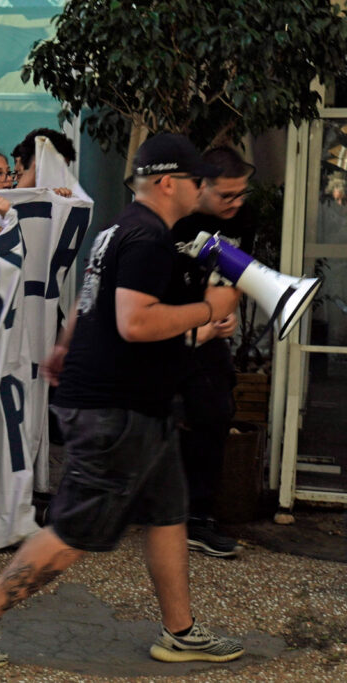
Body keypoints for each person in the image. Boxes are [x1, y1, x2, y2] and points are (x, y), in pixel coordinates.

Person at [0, 133, 245, 669]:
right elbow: (134, 322)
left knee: (168, 513)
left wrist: (64, 347)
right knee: (75, 528)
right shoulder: (150, 238)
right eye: (197, 181)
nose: (202, 189)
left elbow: (88, 297)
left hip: (137, 404)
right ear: (169, 182)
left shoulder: (117, 230)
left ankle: (180, 630)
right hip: (118, 406)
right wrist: (207, 308)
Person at [171, 146, 256, 559]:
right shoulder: (172, 216)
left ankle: (198, 517)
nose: (236, 204)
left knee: (215, 410)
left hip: (210, 327)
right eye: (227, 196)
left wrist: (227, 314)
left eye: (242, 194)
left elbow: (238, 271)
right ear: (199, 186)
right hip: (162, 325)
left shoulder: (242, 216)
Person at [12, 127, 77, 190]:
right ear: (37, 164)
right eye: (59, 170)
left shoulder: (58, 197)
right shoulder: (6, 199)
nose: (63, 178)